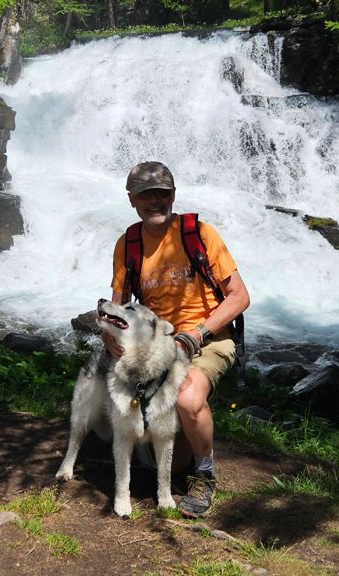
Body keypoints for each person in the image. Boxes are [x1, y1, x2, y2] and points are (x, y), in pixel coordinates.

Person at [103, 161, 250, 518]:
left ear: (173, 195)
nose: (156, 200)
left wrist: (198, 333)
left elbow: (239, 297)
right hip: (159, 346)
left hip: (209, 338)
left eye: (163, 193)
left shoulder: (199, 234)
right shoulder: (129, 244)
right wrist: (111, 338)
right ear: (132, 200)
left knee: (187, 397)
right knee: (168, 461)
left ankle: (206, 476)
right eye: (146, 194)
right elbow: (120, 308)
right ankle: (184, 460)